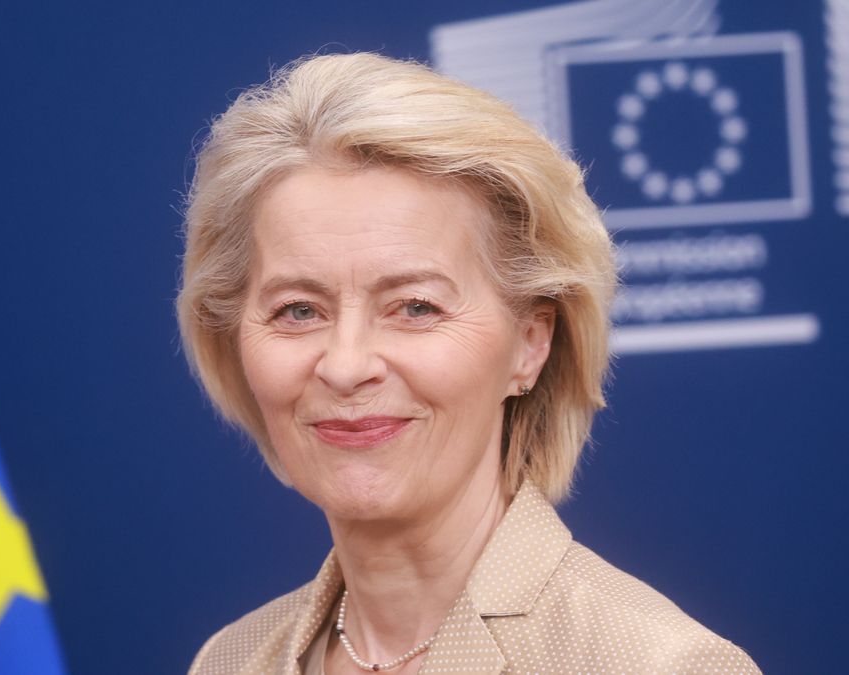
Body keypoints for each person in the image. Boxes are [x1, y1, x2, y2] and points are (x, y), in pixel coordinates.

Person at [176, 52, 759, 674]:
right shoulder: (229, 661)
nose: (345, 366)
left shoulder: (659, 664)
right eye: (298, 311)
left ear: (529, 345)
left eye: (415, 307)